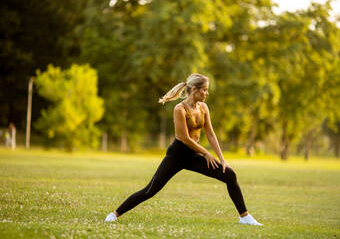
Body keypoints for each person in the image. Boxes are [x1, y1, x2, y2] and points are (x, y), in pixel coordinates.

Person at [105, 73, 263, 226]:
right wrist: (206, 153)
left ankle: (245, 217)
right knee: (150, 190)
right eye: (204, 90)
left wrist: (222, 159)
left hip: (194, 156)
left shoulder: (203, 107)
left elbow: (211, 134)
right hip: (177, 156)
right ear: (194, 89)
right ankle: (114, 214)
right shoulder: (179, 109)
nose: (207, 93)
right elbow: (185, 138)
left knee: (230, 175)